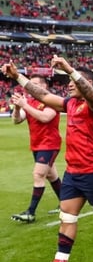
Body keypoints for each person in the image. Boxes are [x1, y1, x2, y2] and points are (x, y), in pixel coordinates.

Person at [2, 57, 93, 262]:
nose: (69, 85)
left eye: (73, 82)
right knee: (67, 217)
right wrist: (17, 77)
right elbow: (43, 95)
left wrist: (71, 70)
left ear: (87, 82)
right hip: (73, 172)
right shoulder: (70, 104)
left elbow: (90, 93)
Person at [8, 74, 62, 223]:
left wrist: (25, 105)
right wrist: (18, 108)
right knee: (51, 176)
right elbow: (17, 120)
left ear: (44, 86)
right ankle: (65, 204)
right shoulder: (30, 101)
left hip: (50, 144)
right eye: (29, 84)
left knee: (38, 175)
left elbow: (45, 117)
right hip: (37, 145)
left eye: (35, 84)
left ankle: (30, 213)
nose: (30, 87)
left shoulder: (51, 100)